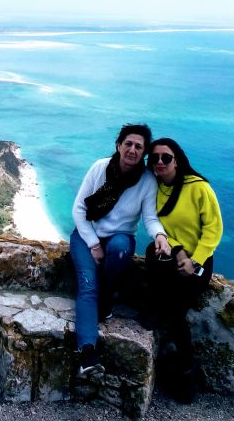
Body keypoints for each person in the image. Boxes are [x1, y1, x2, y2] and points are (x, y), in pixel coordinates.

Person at [70, 124, 172, 376]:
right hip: (86, 237)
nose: (132, 150)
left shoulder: (147, 181)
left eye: (139, 146)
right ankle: (87, 352)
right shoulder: (100, 168)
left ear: (144, 152)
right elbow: (79, 211)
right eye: (128, 144)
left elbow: (150, 217)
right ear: (118, 145)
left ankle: (105, 296)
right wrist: (93, 244)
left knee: (116, 249)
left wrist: (160, 235)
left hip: (120, 241)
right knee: (87, 285)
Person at [144, 137, 223, 403]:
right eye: (154, 158)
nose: (160, 162)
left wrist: (195, 260)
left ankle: (186, 371)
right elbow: (160, 227)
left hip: (198, 262)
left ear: (176, 159)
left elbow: (213, 229)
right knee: (151, 255)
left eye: (165, 157)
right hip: (173, 255)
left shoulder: (198, 187)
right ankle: (182, 371)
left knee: (175, 311)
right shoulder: (154, 187)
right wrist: (177, 250)